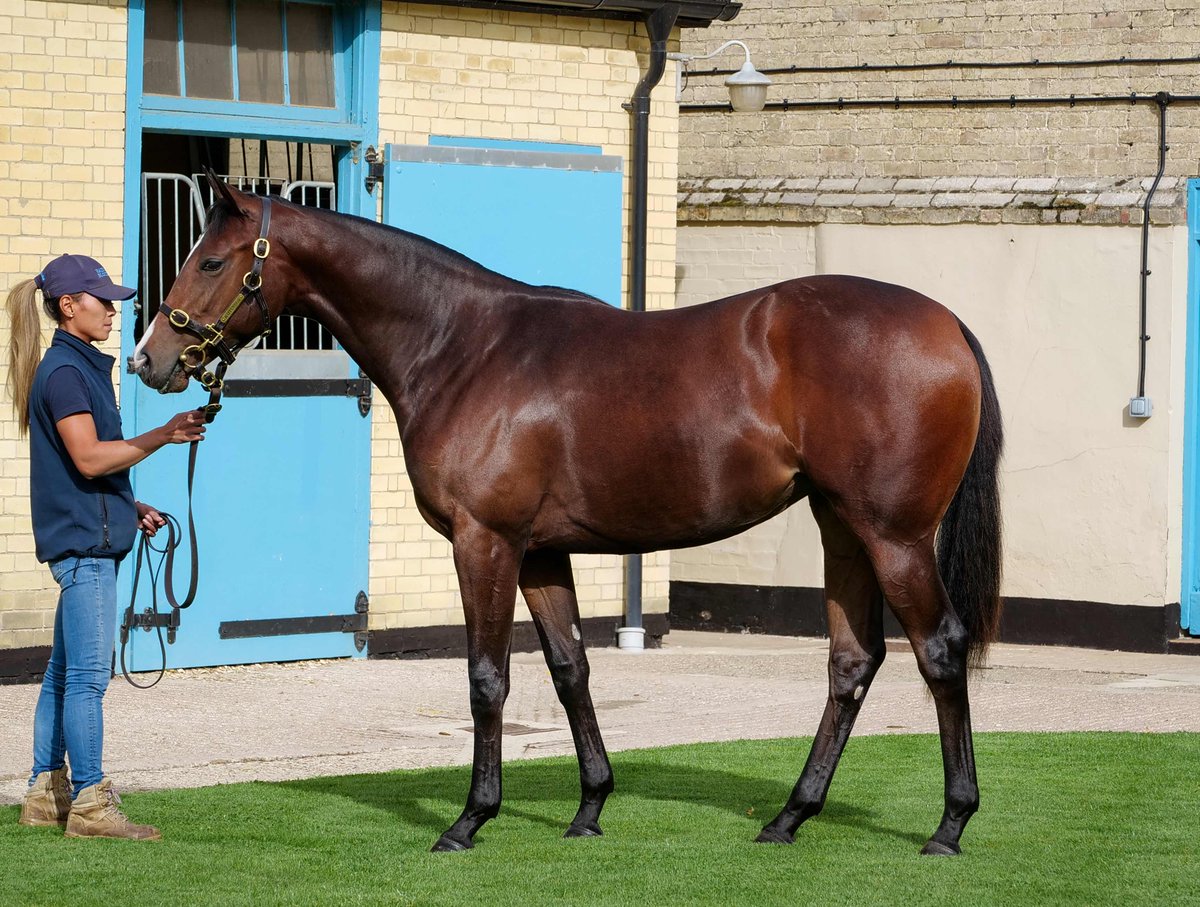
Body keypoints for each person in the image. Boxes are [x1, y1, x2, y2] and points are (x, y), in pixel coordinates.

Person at [5, 253, 206, 840]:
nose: (114, 310)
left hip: (90, 538)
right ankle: (91, 804)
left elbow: (89, 471)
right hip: (86, 552)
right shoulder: (66, 373)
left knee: (62, 676)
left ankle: (46, 793)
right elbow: (90, 458)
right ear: (70, 307)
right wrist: (165, 434)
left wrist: (131, 506)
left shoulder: (80, 368)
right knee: (89, 679)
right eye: (103, 300)